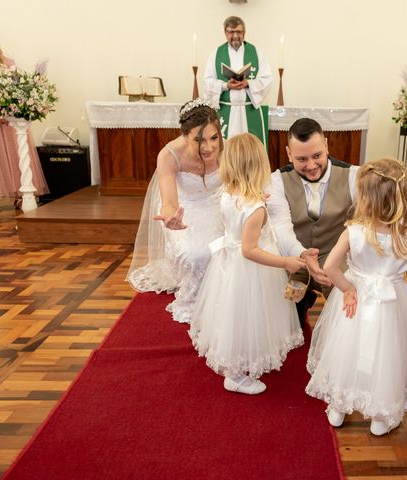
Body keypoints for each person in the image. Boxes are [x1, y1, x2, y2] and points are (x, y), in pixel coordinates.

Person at [305, 157, 407, 436]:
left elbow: (329, 268)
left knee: (348, 348)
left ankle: (339, 406)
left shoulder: (354, 232)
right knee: (386, 353)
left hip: (356, 300)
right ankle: (379, 417)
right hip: (391, 304)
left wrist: (348, 289)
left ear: (366, 198)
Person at [189, 133, 304, 395]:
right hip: (250, 269)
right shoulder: (256, 209)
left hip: (229, 265)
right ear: (259, 167)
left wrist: (254, 201)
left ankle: (239, 359)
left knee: (232, 313)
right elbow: (250, 250)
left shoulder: (229, 193)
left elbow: (237, 221)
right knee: (248, 315)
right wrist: (285, 261)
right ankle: (236, 376)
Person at [126, 99, 224, 324]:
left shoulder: (226, 148)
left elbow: (239, 181)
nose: (208, 147)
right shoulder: (169, 155)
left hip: (217, 203)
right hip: (184, 209)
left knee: (232, 246)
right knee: (195, 254)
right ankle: (196, 300)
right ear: (185, 136)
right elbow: (169, 203)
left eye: (214, 138)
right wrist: (171, 218)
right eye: (199, 140)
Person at [266, 118, 360, 327]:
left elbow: (366, 224)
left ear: (326, 144)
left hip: (338, 258)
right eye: (301, 159)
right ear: (289, 153)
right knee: (272, 296)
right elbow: (281, 229)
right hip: (294, 259)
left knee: (353, 302)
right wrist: (303, 255)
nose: (311, 165)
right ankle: (295, 314)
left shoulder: (354, 176)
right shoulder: (276, 181)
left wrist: (334, 264)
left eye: (317, 155)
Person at [0, 24, 48, 213]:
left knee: (17, 151)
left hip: (12, 113)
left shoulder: (8, 61)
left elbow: (17, 88)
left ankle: (20, 195)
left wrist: (10, 111)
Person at [203, 16, 272, 148]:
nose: (235, 36)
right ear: (225, 33)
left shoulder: (256, 52)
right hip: (226, 109)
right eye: (231, 32)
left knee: (250, 150)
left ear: (244, 33)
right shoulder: (216, 53)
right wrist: (225, 85)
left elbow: (267, 79)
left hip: (249, 109)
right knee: (226, 150)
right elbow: (207, 82)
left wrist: (249, 84)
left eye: (239, 32)